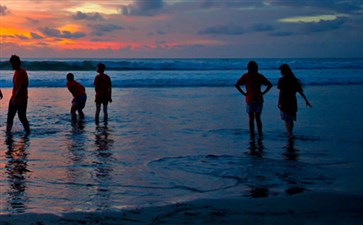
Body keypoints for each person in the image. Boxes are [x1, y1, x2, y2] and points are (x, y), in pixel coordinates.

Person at [235, 61, 272, 136]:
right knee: (258, 118)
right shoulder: (259, 76)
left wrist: (244, 93)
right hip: (258, 98)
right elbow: (269, 85)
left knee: (251, 119)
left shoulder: (246, 76)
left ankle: (252, 133)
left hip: (249, 98)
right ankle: (260, 133)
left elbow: (237, 85)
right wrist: (263, 92)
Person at [278, 64, 311, 138]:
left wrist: (279, 102)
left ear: (284, 71)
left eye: (281, 71)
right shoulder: (293, 80)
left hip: (285, 101)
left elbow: (281, 92)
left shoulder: (282, 80)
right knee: (291, 119)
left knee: (286, 119)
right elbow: (300, 91)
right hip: (293, 101)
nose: (280, 72)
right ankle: (290, 133)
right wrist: (306, 100)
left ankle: (289, 134)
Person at [6, 55, 30, 135]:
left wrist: (14, 98)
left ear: (15, 63)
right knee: (10, 116)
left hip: (21, 99)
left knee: (21, 117)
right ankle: (8, 132)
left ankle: (27, 132)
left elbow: (22, 87)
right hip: (15, 97)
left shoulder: (22, 72)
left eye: (12, 64)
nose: (11, 66)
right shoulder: (16, 72)